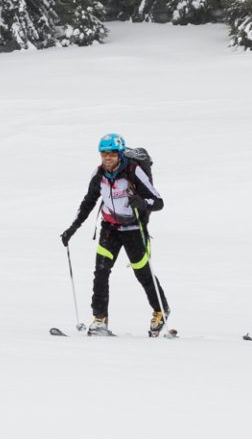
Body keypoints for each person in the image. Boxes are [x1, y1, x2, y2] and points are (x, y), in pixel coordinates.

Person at [59, 133, 170, 336]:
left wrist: (143, 203)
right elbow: (88, 203)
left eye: (111, 154)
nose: (107, 158)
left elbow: (158, 201)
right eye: (103, 154)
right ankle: (99, 319)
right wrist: (73, 228)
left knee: (142, 273)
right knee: (101, 271)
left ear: (119, 154)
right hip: (109, 229)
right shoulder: (99, 174)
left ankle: (160, 311)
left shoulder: (133, 171)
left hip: (134, 229)